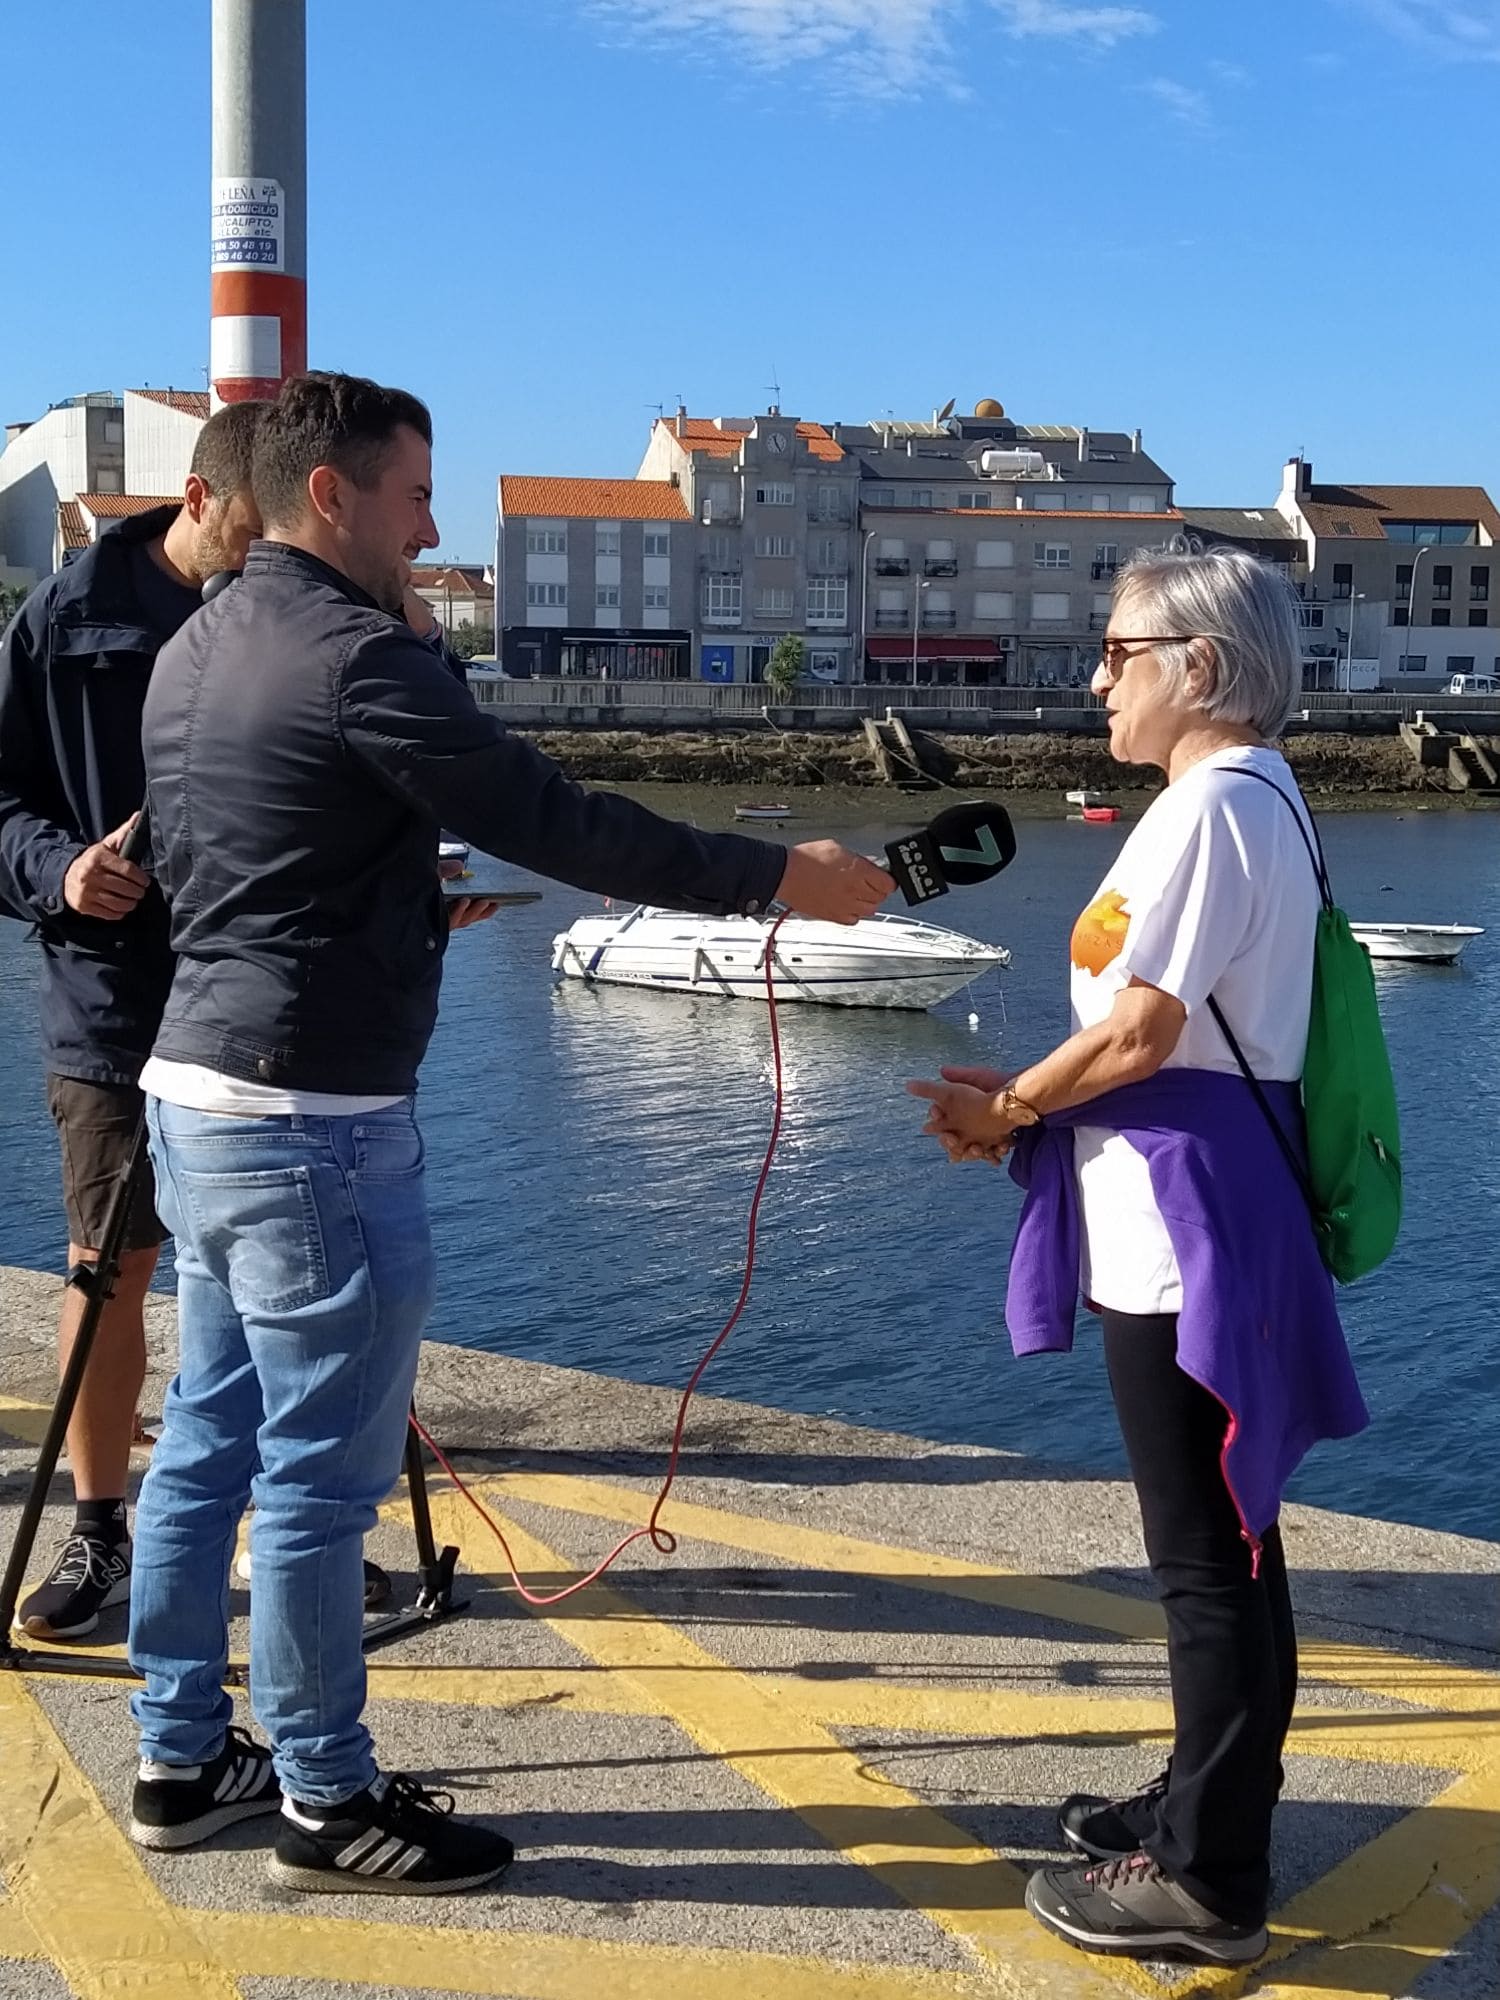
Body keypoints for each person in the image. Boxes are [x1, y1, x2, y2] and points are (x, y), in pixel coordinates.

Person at [127, 370, 894, 1895]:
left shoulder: (199, 643)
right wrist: (776, 878)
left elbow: (252, 860)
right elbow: (560, 818)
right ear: (330, 495)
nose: (430, 525)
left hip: (197, 1095)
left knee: (206, 1443)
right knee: (316, 1483)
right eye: (414, 494)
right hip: (314, 1126)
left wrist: (405, 894)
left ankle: (178, 1755)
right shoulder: (358, 655)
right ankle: (327, 1798)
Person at [909, 545, 1368, 1967]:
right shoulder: (1243, 803)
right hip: (1185, 1208)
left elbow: (1142, 1033)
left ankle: (1210, 1874)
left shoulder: (1215, 809)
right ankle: (1201, 1804)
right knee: (1231, 1545)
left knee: (1206, 1565)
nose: (1096, 676)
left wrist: (1008, 1111)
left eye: (1117, 651)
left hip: (1185, 1232)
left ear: (1201, 667)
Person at [0, 403, 265, 1640]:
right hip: (113, 993)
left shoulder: (293, 602)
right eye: (255, 533)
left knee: (277, 1270)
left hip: (270, 995)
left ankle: (292, 1525)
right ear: (199, 501)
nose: (273, 561)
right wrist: (58, 870)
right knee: (113, 1272)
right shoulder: (68, 615)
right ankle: (100, 1527)